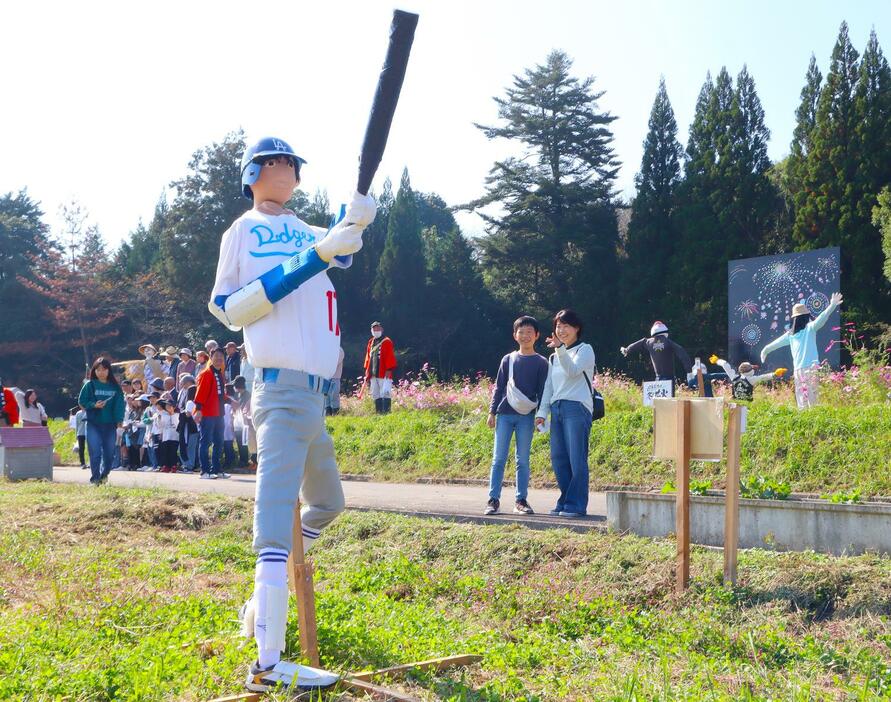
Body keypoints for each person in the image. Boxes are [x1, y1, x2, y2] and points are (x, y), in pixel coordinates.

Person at [208, 136, 372, 691]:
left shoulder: (306, 230)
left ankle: (261, 600)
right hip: (276, 390)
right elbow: (229, 308)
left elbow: (340, 249)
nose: (286, 169)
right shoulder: (243, 229)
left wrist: (353, 220)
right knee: (274, 522)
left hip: (314, 396)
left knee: (328, 503)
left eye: (292, 163)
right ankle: (268, 664)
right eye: (274, 162)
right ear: (252, 173)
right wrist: (316, 256)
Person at [484, 316, 549, 516]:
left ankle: (521, 500)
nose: (525, 335)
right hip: (504, 415)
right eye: (521, 332)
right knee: (498, 458)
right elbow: (499, 387)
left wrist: (541, 415)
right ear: (515, 335)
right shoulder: (508, 359)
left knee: (523, 459)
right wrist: (492, 411)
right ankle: (493, 500)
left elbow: (543, 392)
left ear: (537, 335)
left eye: (530, 332)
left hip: (526, 416)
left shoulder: (542, 363)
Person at [535, 309, 596, 518]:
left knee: (576, 457)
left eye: (566, 326)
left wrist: (560, 349)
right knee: (559, 457)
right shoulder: (553, 357)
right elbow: (549, 387)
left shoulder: (585, 350)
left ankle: (576, 504)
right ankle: (565, 499)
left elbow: (572, 371)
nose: (561, 330)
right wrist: (541, 412)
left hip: (577, 407)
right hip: (557, 408)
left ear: (576, 328)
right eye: (558, 326)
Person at [760, 293, 842, 409]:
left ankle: (806, 420)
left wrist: (765, 350)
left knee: (803, 398)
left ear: (794, 319)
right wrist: (832, 305)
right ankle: (811, 420)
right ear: (805, 317)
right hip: (808, 368)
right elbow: (822, 317)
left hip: (801, 369)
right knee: (812, 397)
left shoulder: (797, 332)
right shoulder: (804, 330)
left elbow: (774, 344)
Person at [77, 357, 126, 485]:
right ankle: (95, 479)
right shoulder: (90, 384)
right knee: (95, 453)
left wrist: (119, 422)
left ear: (109, 371)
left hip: (110, 425)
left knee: (110, 454)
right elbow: (81, 402)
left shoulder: (115, 388)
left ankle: (104, 475)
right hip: (93, 424)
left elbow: (120, 406)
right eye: (98, 370)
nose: (101, 372)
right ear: (94, 371)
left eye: (104, 369)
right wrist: (94, 405)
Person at [620, 321, 694, 396]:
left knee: (658, 403)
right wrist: (689, 371)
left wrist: (627, 349)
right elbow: (682, 353)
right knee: (669, 403)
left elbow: (637, 344)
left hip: (658, 379)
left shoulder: (648, 342)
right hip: (669, 378)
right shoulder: (668, 342)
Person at [194, 347, 231, 480]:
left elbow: (222, 394)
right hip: (208, 412)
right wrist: (198, 410)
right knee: (205, 442)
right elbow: (201, 393)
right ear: (211, 357)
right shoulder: (207, 373)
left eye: (222, 356)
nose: (219, 358)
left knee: (219, 442)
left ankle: (216, 469)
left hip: (219, 413)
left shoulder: (220, 374)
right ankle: (204, 471)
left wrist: (232, 401)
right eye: (216, 356)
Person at [363, 321, 397, 414]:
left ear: (382, 329)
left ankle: (386, 413)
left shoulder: (387, 341)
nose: (376, 330)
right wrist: (367, 371)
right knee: (375, 394)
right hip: (373, 373)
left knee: (385, 393)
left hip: (384, 372)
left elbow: (390, 356)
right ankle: (379, 414)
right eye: (374, 329)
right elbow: (368, 357)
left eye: (378, 328)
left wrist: (389, 370)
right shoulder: (371, 341)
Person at [325, 348, 344, 416]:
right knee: (326, 396)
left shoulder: (339, 350)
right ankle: (328, 414)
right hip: (326, 376)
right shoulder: (326, 349)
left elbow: (335, 363)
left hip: (335, 377)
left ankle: (335, 413)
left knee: (334, 396)